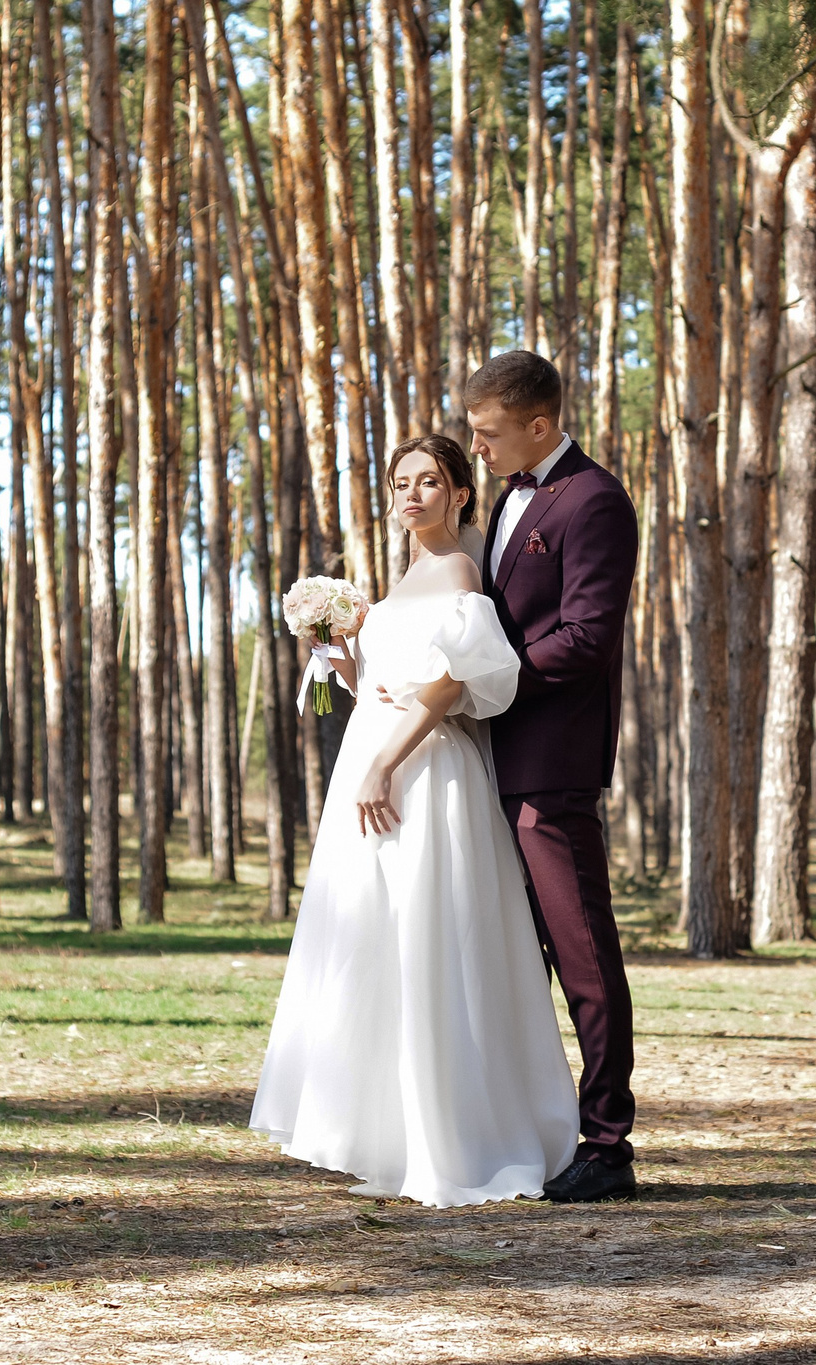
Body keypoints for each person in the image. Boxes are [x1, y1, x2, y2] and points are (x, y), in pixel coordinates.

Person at [251, 434, 580, 1206]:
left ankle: (455, 1135)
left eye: (430, 481)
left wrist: (384, 762)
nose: (412, 494)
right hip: (374, 762)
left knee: (433, 938)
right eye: (402, 482)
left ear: (461, 494)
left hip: (423, 772)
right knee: (377, 939)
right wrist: (335, 650)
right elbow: (377, 687)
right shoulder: (401, 581)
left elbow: (448, 684)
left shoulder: (461, 571)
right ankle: (389, 1131)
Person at [461, 350, 641, 1205]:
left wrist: (484, 679)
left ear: (540, 423)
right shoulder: (508, 497)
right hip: (491, 760)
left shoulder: (595, 499)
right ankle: (530, 1126)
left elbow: (587, 636)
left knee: (583, 957)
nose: (478, 445)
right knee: (509, 956)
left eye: (489, 431)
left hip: (553, 766)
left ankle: (608, 1143)